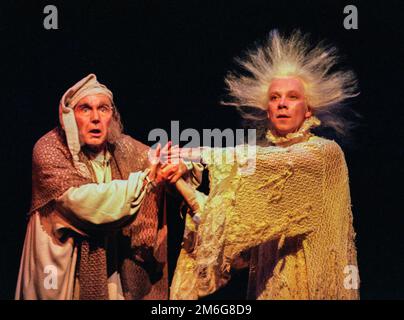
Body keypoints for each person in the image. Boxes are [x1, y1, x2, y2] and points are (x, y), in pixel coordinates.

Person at [169, 30, 360, 300]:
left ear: (309, 109)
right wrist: (178, 182)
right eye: (274, 98)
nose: (282, 104)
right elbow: (228, 229)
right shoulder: (259, 165)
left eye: (292, 97)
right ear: (266, 109)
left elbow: (280, 162)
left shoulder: (324, 154)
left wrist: (198, 153)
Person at [15, 74, 198, 300]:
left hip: (111, 272)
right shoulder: (49, 149)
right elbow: (82, 203)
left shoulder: (122, 148)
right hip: (63, 269)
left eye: (103, 109)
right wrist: (145, 180)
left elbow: (159, 163)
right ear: (70, 117)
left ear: (112, 115)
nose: (95, 118)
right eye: (85, 109)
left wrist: (180, 168)